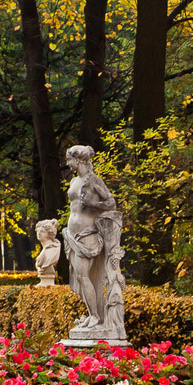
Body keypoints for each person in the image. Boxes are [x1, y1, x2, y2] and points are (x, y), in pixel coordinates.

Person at [61, 145, 125, 338]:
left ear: (79, 160)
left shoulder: (94, 180)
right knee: (81, 277)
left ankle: (96, 317)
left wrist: (92, 204)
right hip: (73, 234)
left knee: (83, 275)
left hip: (87, 233)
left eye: (69, 160)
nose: (67, 163)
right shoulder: (74, 181)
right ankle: (92, 315)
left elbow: (111, 203)